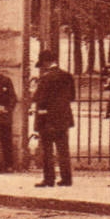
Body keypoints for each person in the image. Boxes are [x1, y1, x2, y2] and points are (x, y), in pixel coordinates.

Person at [32, 48, 74, 187]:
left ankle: (49, 179)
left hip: (48, 119)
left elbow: (40, 99)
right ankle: (66, 179)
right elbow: (72, 97)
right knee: (63, 150)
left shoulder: (46, 78)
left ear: (45, 62)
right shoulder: (67, 76)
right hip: (63, 119)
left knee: (47, 151)